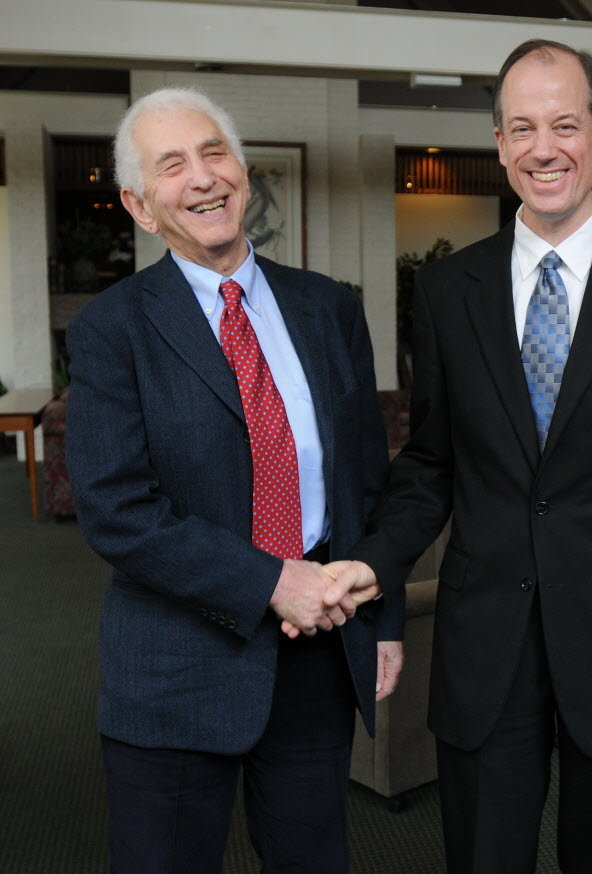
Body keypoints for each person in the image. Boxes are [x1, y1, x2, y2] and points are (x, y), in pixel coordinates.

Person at [327, 38, 592, 874]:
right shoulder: (446, 290)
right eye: (521, 128)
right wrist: (375, 565)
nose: (544, 148)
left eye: (565, 125)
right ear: (500, 144)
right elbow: (432, 461)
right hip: (484, 645)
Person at [65, 87, 402, 874]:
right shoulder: (111, 330)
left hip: (315, 657)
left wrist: (381, 622)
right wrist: (269, 582)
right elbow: (116, 510)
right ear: (141, 207)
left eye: (214, 153)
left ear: (244, 173)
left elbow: (366, 482)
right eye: (172, 165)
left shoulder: (329, 308)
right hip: (176, 669)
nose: (203, 177)